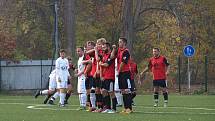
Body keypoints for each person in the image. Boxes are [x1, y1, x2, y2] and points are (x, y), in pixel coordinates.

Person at [115, 37, 133, 114]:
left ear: (124, 43)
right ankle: (125, 108)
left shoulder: (126, 52)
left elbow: (123, 62)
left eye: (120, 42)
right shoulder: (119, 51)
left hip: (125, 73)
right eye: (119, 42)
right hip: (121, 73)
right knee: (122, 91)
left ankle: (129, 108)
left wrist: (118, 71)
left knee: (127, 90)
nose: (119, 43)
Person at [99, 42, 117, 113]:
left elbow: (106, 65)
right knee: (103, 91)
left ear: (108, 47)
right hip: (105, 77)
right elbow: (103, 66)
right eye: (102, 47)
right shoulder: (104, 55)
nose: (103, 49)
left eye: (104, 47)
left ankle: (114, 109)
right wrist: (102, 75)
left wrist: (101, 64)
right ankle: (108, 108)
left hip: (110, 77)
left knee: (111, 92)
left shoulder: (110, 55)